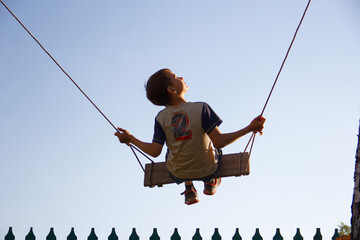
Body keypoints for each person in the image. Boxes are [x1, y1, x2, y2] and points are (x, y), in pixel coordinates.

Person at [115, 68, 265, 205]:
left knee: (173, 149)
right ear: (172, 89)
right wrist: (250, 128)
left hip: (178, 173)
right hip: (208, 168)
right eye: (175, 77)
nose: (181, 76)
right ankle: (210, 181)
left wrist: (130, 139)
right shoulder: (201, 108)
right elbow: (220, 141)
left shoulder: (160, 118)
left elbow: (155, 151)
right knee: (214, 149)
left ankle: (189, 190)